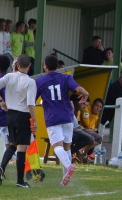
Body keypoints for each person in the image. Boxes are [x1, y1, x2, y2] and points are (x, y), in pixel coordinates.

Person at [36, 55, 89, 186]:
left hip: (52, 117)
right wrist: (86, 94)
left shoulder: (40, 81)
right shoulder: (66, 78)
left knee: (57, 147)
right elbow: (79, 89)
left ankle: (69, 166)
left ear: (45, 66)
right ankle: (65, 179)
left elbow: (32, 99)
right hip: (67, 116)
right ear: (57, 66)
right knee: (66, 148)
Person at [0, 54, 37, 188]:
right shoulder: (30, 82)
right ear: (29, 67)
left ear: (17, 65)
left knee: (12, 144)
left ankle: (2, 167)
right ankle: (20, 181)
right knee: (21, 148)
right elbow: (30, 104)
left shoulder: (9, 76)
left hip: (10, 114)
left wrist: (1, 101)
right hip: (22, 115)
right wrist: (35, 121)